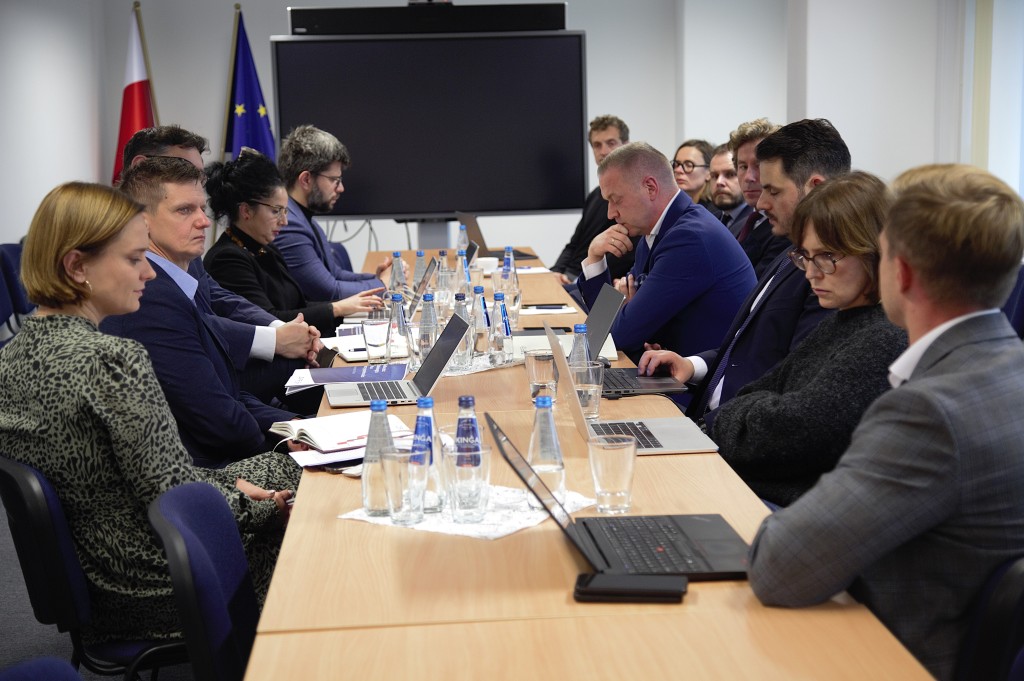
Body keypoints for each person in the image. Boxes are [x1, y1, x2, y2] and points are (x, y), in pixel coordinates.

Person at [747, 164, 1024, 681]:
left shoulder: (928, 412)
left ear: (903, 272)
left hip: (889, 656)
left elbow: (777, 567)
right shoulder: (1007, 370)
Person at [0, 181, 299, 644]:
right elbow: (174, 495)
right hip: (156, 576)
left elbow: (151, 477)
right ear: (77, 266)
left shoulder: (9, 358)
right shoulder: (112, 362)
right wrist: (264, 508)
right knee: (309, 494)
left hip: (99, 573)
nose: (150, 273)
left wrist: (233, 487)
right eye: (134, 259)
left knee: (280, 469)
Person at [709, 172, 907, 507]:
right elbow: (751, 396)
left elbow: (794, 433)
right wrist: (757, 414)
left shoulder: (883, 338)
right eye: (805, 256)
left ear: (874, 251)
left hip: (792, 509)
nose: (812, 273)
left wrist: (745, 418)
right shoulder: (842, 320)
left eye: (827, 256)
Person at [641, 119, 849, 426]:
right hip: (711, 417)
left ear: (814, 188)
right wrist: (691, 365)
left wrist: (708, 430)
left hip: (734, 432)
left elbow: (789, 387)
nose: (761, 203)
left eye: (772, 191)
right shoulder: (789, 255)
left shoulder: (829, 278)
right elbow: (748, 350)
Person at [103, 158, 299, 468]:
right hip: (206, 469)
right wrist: (285, 444)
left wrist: (296, 427)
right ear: (142, 221)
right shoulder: (150, 299)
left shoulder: (177, 278)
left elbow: (230, 393)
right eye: (184, 210)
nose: (204, 221)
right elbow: (217, 421)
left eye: (202, 209)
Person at [120, 125, 320, 408]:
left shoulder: (183, 246)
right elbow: (192, 324)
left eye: (198, 175)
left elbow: (218, 296)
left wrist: (281, 328)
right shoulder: (132, 266)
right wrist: (275, 339)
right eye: (181, 170)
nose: (204, 221)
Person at [576, 142, 755, 361]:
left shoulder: (689, 239)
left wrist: (627, 317)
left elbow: (618, 337)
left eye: (616, 200)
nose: (611, 213)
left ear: (650, 188)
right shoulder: (656, 232)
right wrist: (595, 256)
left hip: (710, 377)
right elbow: (605, 327)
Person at [204, 149, 384, 334]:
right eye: (276, 211)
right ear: (246, 211)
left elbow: (298, 305)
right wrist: (337, 308)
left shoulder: (266, 248)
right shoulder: (227, 259)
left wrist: (344, 307)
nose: (284, 221)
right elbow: (270, 322)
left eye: (285, 211)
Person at [275, 124, 391, 301]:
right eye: (334, 180)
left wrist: (376, 278)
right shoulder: (289, 225)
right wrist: (383, 285)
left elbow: (335, 274)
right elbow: (328, 291)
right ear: (306, 179)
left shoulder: (305, 218)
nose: (341, 188)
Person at [551, 115, 638, 285]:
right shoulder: (594, 196)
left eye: (611, 143)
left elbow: (622, 258)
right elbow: (573, 245)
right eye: (597, 145)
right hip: (577, 278)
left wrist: (579, 283)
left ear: (626, 146)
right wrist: (555, 272)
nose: (603, 151)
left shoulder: (634, 198)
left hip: (601, 284)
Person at [727, 118, 790, 277]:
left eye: (758, 165)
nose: (749, 177)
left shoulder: (786, 228)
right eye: (743, 166)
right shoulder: (739, 223)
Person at [708, 143, 750, 235]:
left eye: (730, 174)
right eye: (714, 176)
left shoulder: (757, 222)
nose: (719, 182)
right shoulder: (709, 220)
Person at [671, 139, 719, 216]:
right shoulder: (675, 208)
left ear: (709, 172)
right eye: (676, 164)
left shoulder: (716, 213)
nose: (678, 170)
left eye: (689, 165)